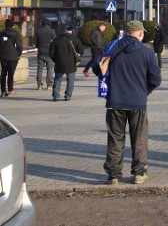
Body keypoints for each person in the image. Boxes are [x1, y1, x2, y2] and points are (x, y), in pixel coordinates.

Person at [93, 19, 161, 185]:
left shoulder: (111, 47)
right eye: (142, 32)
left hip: (115, 102)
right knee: (139, 139)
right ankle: (139, 173)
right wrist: (145, 90)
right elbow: (156, 79)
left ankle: (114, 175)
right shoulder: (146, 52)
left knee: (115, 138)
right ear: (139, 33)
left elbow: (97, 69)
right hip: (137, 102)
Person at [49, 25, 82, 101]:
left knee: (57, 79)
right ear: (71, 31)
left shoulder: (56, 40)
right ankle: (68, 96)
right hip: (71, 63)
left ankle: (56, 96)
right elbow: (81, 50)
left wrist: (56, 60)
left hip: (59, 63)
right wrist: (76, 58)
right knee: (70, 80)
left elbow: (51, 52)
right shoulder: (75, 39)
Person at [0, 20, 22, 97]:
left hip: (3, 55)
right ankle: (10, 90)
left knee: (3, 73)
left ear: (5, 25)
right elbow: (19, 46)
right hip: (13, 56)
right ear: (13, 26)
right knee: (11, 73)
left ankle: (2, 90)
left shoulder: (1, 34)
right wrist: (19, 54)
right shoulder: (16, 34)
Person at [34, 20, 57, 90]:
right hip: (49, 52)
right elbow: (55, 42)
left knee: (40, 68)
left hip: (41, 52)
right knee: (50, 68)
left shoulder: (38, 31)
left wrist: (39, 46)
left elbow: (35, 43)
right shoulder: (52, 31)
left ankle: (39, 85)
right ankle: (49, 84)